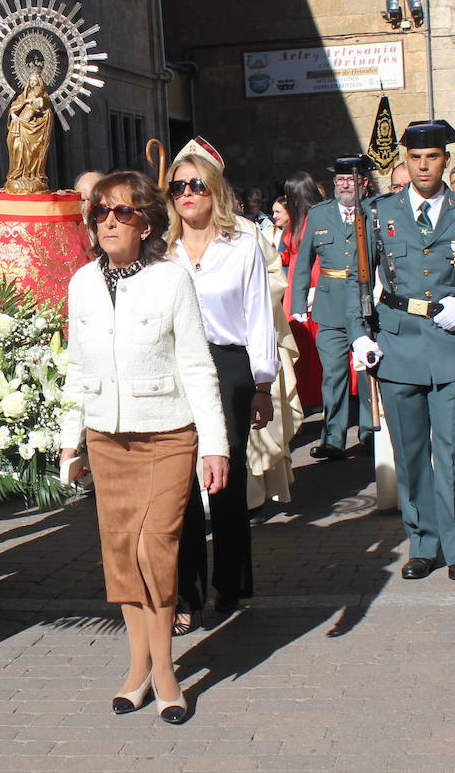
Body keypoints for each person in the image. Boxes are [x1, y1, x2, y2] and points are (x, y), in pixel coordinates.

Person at [59, 170, 229, 725]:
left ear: (147, 222)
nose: (109, 220)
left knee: (156, 549)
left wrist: (215, 446)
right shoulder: (82, 281)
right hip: (106, 438)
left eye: (122, 212)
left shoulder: (172, 280)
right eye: (101, 213)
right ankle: (137, 672)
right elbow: (76, 370)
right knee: (121, 554)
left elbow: (197, 366)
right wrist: (70, 443)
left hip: (166, 434)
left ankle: (166, 673)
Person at [348, 120, 455, 590]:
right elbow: (359, 280)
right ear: (404, 162)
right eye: (415, 157)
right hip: (398, 340)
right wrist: (359, 335)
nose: (423, 165)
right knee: (410, 454)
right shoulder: (378, 212)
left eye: (432, 157)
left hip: (450, 344)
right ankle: (423, 544)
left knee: (454, 452)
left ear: (445, 160)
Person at [164, 139, 277, 630]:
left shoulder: (243, 246)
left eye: (196, 185)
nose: (187, 194)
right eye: (177, 187)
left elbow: (259, 319)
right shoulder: (159, 252)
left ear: (214, 190)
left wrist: (262, 385)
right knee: (179, 484)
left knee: (224, 480)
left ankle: (229, 583)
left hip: (228, 366)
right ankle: (186, 595)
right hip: (174, 367)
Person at [291, 156, 377, 461]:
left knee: (369, 372)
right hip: (329, 305)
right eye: (339, 180)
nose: (344, 185)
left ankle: (371, 433)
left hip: (368, 306)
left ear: (364, 183)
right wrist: (298, 302)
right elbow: (304, 261)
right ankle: (333, 437)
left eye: (350, 180)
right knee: (334, 373)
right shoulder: (320, 214)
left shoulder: (375, 211)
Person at [279, 172, 324, 410]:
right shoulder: (295, 221)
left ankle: (313, 394)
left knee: (309, 344)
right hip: (294, 283)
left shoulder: (313, 220)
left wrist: (313, 289)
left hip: (309, 284)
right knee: (297, 340)